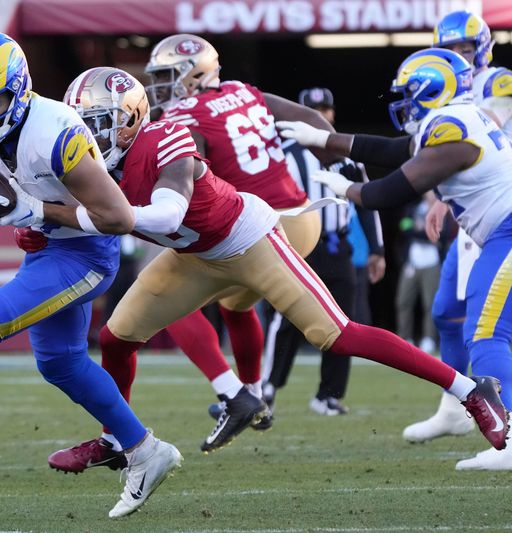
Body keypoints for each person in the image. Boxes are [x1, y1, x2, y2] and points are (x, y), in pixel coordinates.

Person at [46, 65, 509, 472]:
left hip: (248, 238)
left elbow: (163, 215)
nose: (87, 137)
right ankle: (120, 441)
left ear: (128, 120)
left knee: (335, 334)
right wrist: (29, 212)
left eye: (97, 125)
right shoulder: (87, 162)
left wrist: (70, 214)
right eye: (81, 126)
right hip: (194, 256)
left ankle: (469, 389)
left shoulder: (171, 133)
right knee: (116, 337)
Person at [0, 32, 182, 519]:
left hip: (86, 254)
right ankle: (146, 451)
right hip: (48, 251)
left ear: (19, 89)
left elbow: (118, 218)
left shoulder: (55, 132)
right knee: (60, 362)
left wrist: (32, 209)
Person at [278, 47, 512, 469]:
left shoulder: (452, 129)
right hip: (500, 231)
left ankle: (511, 440)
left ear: (431, 89)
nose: (402, 102)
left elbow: (391, 191)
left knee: (488, 335)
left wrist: (344, 188)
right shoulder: (455, 119)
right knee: (473, 324)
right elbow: (396, 150)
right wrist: (325, 139)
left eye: (408, 93)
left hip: (507, 231)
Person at [145, 34, 336, 427]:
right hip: (302, 216)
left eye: (168, 76)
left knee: (168, 300)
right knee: (236, 305)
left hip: (260, 225)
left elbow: (187, 178)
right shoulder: (245, 92)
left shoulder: (184, 116)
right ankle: (255, 395)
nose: (161, 86)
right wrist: (333, 161)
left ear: (196, 73)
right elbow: (314, 121)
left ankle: (233, 394)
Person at [402, 11, 512, 454]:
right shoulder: (450, 104)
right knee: (447, 310)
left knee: (488, 328)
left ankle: (502, 418)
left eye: (466, 50)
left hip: (500, 209)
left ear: (482, 50)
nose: (458, 58)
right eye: (451, 51)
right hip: (476, 214)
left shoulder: (497, 83)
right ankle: (455, 406)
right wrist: (443, 196)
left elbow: (485, 142)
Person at [261, 87, 385, 417]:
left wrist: (377, 249)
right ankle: (268, 386)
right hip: (297, 245)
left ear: (332, 113)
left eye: (325, 109)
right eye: (313, 109)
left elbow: (366, 201)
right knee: (286, 317)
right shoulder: (280, 153)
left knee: (343, 322)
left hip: (336, 244)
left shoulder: (346, 155)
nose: (321, 114)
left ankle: (328, 395)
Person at [395, 197, 440, 354]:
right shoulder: (413, 208)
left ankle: (429, 338)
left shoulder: (441, 209)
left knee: (430, 304)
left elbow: (440, 234)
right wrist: (421, 230)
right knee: (403, 301)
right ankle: (405, 338)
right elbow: (403, 227)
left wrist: (419, 230)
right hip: (412, 262)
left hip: (432, 263)